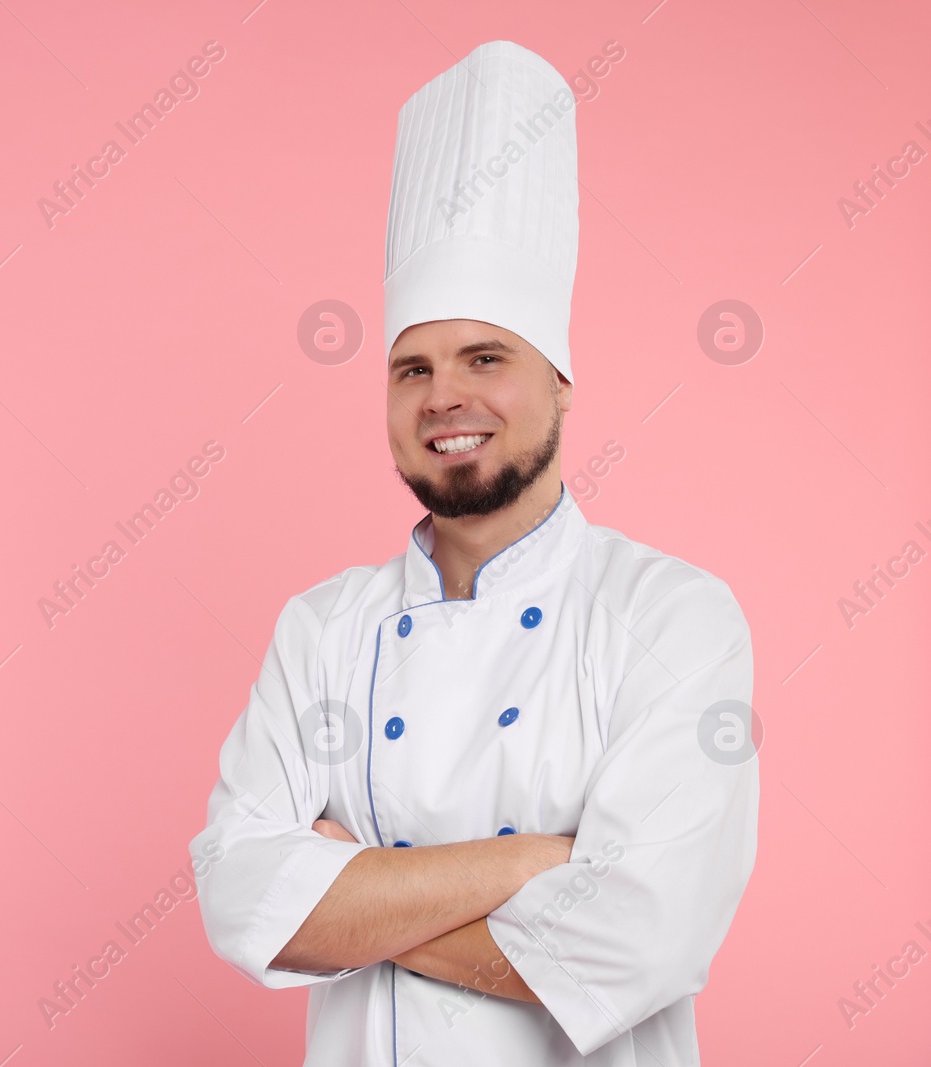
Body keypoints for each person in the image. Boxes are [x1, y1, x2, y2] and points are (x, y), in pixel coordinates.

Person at [189, 40, 758, 1065]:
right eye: (412, 367)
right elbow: (237, 893)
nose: (444, 397)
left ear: (561, 382)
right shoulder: (321, 627)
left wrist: (349, 889)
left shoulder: (671, 615)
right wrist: (536, 864)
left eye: (484, 357)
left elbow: (644, 938)